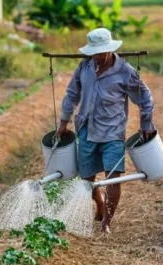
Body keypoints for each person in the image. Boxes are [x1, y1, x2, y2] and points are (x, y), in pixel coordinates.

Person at [57, 28, 155, 234]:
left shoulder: (125, 71)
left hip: (113, 132)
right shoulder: (84, 67)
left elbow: (145, 97)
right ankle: (99, 203)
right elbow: (71, 94)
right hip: (86, 129)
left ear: (110, 50)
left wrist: (146, 124)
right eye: (94, 53)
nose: (98, 57)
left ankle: (106, 223)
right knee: (87, 179)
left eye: (102, 53)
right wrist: (64, 121)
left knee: (113, 176)